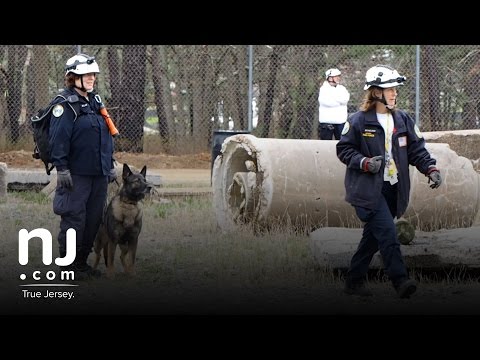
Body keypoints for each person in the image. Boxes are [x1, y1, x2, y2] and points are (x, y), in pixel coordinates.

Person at [336, 64, 442, 298]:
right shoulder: (358, 121)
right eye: (390, 89)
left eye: (395, 89)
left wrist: (430, 169)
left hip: (394, 189)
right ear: (375, 92)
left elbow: (417, 150)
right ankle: (401, 281)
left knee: (372, 238)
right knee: (388, 235)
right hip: (367, 190)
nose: (394, 93)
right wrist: (364, 162)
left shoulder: (403, 119)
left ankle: (353, 282)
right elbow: (344, 149)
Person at [49, 53, 117, 279]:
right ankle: (67, 266)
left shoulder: (95, 101)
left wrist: (110, 162)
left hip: (98, 172)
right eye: (85, 74)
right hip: (76, 173)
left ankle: (81, 263)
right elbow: (58, 138)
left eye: (92, 75)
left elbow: (106, 133)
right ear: (72, 77)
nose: (91, 78)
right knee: (74, 217)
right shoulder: (64, 104)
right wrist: (62, 168)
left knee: (93, 219)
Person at [318, 68, 350, 140]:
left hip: (340, 122)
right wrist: (339, 101)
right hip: (326, 122)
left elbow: (345, 99)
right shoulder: (323, 89)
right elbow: (327, 102)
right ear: (330, 78)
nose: (338, 78)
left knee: (342, 142)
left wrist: (334, 98)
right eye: (336, 76)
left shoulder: (342, 88)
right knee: (325, 144)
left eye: (339, 76)